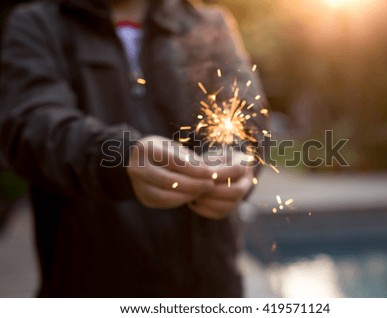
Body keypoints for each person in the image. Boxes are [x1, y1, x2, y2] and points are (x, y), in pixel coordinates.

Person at [0, 0, 266, 297]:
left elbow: (249, 117)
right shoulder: (40, 24)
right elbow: (31, 125)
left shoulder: (207, 23)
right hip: (90, 288)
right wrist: (118, 157)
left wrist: (238, 160)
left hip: (210, 290)